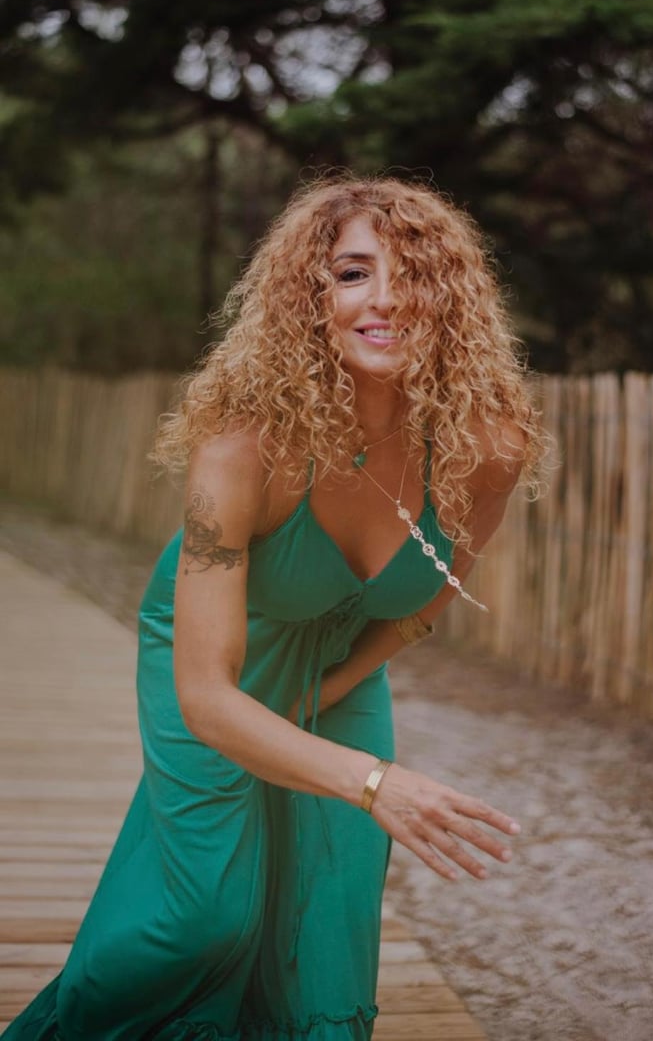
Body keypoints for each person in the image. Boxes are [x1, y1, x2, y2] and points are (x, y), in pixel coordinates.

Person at [6, 175, 545, 1041]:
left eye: (414, 274)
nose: (387, 299)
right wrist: (375, 782)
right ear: (310, 294)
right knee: (203, 917)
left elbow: (422, 604)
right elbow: (207, 698)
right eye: (353, 274)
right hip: (216, 659)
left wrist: (330, 693)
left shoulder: (489, 447)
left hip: (341, 665)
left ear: (453, 298)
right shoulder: (243, 448)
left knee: (324, 913)